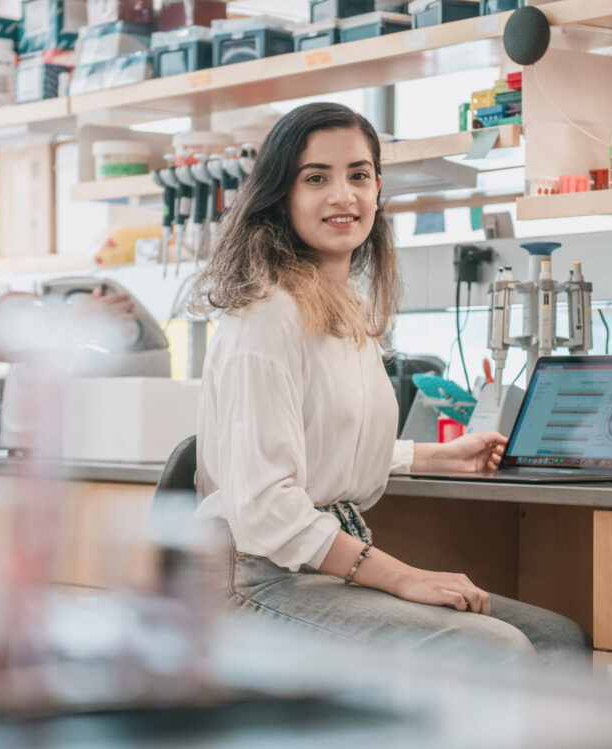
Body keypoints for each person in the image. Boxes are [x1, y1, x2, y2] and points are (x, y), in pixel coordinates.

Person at [189, 102, 590, 669]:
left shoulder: (342, 309)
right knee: (498, 651)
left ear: (378, 188)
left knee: (558, 640)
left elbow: (319, 437)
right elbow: (265, 505)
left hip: (312, 564)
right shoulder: (266, 315)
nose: (343, 195)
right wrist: (403, 578)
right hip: (251, 580)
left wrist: (433, 456)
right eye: (316, 178)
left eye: (358, 175)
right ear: (282, 195)